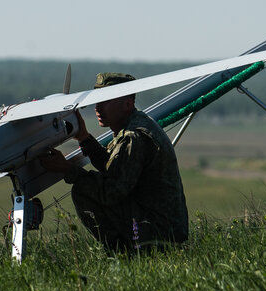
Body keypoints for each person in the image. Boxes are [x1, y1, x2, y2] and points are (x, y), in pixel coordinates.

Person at [41, 72, 189, 252]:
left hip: (159, 234)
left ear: (127, 104)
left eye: (105, 101)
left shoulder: (133, 137)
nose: (97, 107)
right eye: (97, 101)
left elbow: (111, 191)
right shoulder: (136, 124)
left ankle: (123, 254)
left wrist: (67, 169)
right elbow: (116, 169)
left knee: (83, 190)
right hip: (165, 228)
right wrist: (84, 138)